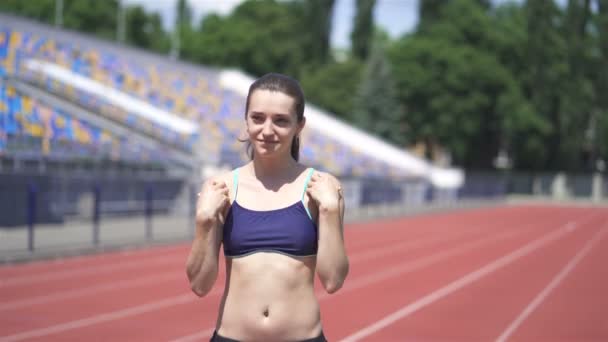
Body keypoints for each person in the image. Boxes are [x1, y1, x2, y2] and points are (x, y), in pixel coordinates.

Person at [186, 73, 349, 342]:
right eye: (258, 118)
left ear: (299, 126)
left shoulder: (321, 188)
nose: (268, 130)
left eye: (281, 120)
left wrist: (330, 211)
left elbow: (333, 280)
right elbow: (199, 285)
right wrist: (205, 221)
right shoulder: (222, 188)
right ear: (246, 121)